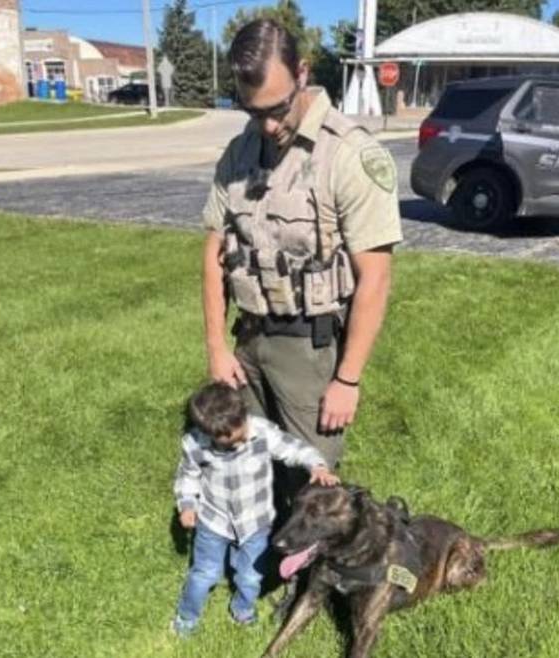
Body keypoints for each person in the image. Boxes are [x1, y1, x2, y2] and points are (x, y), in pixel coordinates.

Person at [201, 19, 403, 472]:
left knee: (312, 482)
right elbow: (213, 252)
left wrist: (347, 380)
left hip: (309, 348)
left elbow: (375, 276)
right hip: (247, 338)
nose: (268, 126)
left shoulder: (348, 154)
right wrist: (216, 345)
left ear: (303, 73)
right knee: (242, 464)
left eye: (277, 108)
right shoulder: (238, 153)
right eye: (253, 112)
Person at [171, 382, 339, 636]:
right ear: (209, 432)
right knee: (204, 573)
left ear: (243, 413)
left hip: (255, 523)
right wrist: (187, 505)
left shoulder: (260, 431)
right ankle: (186, 617)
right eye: (227, 439)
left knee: (250, 576)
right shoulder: (196, 443)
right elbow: (188, 476)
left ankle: (243, 610)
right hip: (213, 522)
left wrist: (315, 465)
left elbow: (293, 447)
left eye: (240, 430)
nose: (237, 440)